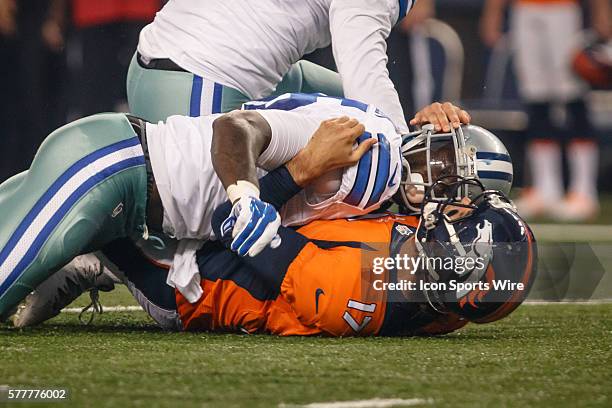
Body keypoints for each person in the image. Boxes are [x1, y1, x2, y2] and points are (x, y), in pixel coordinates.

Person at [0, 94, 479, 321]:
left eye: (449, 174)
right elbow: (234, 127)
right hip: (117, 164)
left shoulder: (392, 212)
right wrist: (250, 197)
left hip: (156, 223)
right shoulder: (362, 145)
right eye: (439, 156)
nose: (433, 176)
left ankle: (96, 253)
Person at [93, 172, 538, 336]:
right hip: (250, 243)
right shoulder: (451, 298)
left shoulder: (351, 284)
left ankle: (87, 264)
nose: (451, 206)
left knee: (100, 199)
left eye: (460, 214)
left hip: (191, 280)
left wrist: (301, 166)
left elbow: (234, 218)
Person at [127, 0, 418, 133]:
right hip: (199, 85)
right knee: (248, 230)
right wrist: (405, 151)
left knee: (348, 108)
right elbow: (362, 72)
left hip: (158, 61)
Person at [480, 0, 612, 221]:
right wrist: (494, 10)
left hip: (564, 9)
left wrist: (601, 10)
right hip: (524, 9)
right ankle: (545, 187)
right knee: (535, 98)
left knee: (572, 97)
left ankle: (584, 188)